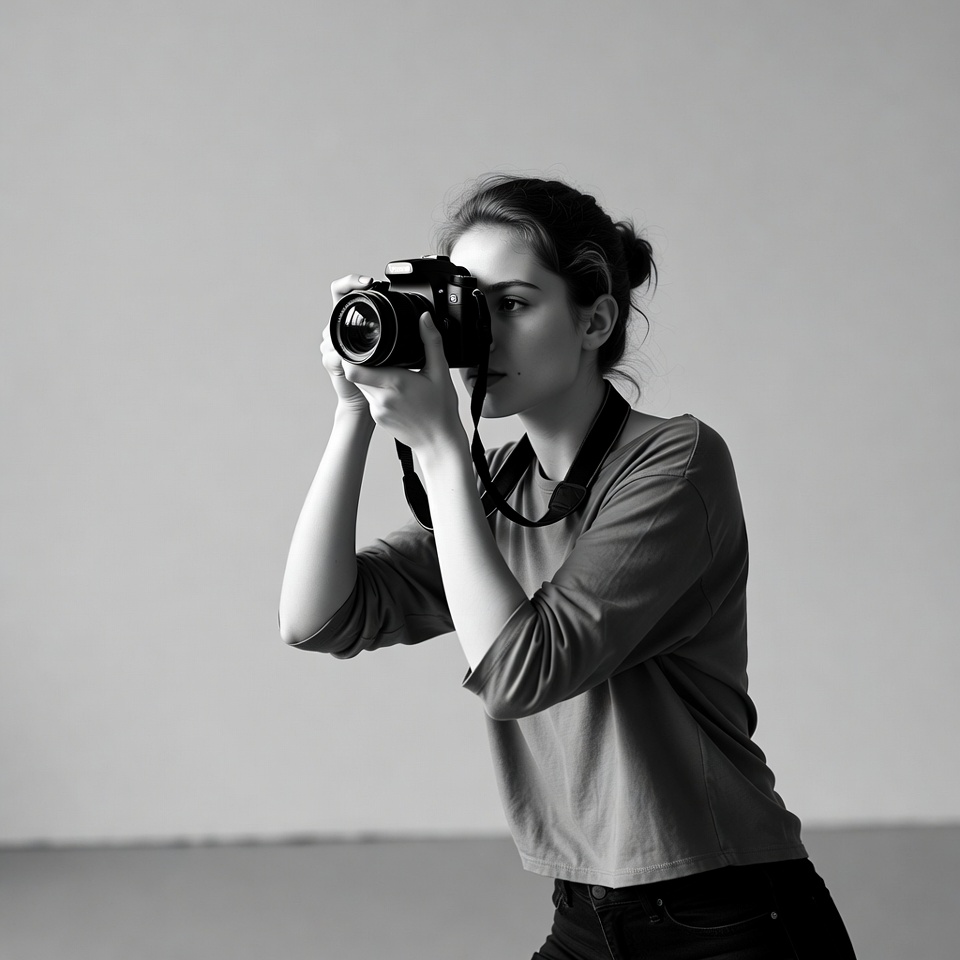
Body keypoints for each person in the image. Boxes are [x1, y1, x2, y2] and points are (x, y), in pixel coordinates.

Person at [278, 175, 858, 959]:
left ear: (594, 319)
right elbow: (317, 619)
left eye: (512, 305)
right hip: (587, 910)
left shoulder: (676, 462)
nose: (484, 335)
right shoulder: (501, 489)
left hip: (729, 911)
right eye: (468, 308)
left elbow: (522, 673)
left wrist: (445, 447)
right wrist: (353, 412)